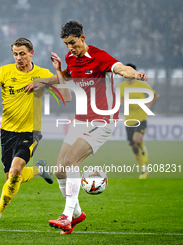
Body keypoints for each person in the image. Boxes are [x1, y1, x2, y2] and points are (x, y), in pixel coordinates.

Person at [38, 20, 148, 234]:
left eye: (73, 42)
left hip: (102, 120)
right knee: (59, 170)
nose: (70, 48)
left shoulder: (99, 57)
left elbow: (121, 69)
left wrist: (134, 74)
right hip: (81, 120)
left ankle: (66, 216)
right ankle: (78, 214)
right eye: (66, 44)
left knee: (71, 162)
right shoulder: (71, 58)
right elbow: (68, 77)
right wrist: (43, 82)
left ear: (82, 38)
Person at [0, 38, 55, 231]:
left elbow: (62, 80)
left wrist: (44, 82)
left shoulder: (41, 73)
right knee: (11, 177)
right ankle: (38, 170)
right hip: (7, 133)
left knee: (16, 170)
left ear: (31, 53)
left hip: (30, 132)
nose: (18, 57)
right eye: (15, 54)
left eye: (22, 54)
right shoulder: (4, 71)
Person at [118, 63, 159, 179]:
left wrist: (148, 104)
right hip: (128, 120)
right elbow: (119, 102)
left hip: (141, 117)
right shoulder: (120, 87)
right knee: (133, 147)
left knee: (137, 139)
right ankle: (144, 169)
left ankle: (143, 147)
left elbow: (156, 95)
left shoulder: (141, 85)